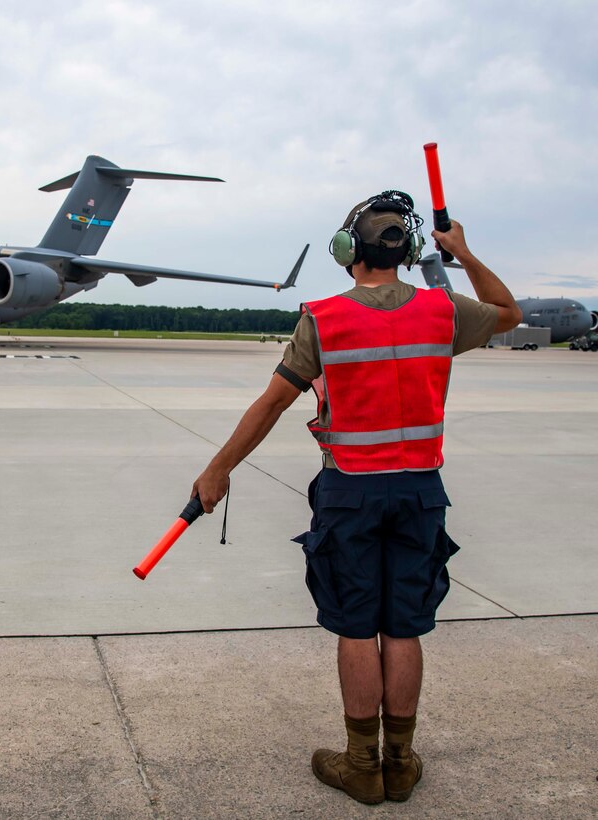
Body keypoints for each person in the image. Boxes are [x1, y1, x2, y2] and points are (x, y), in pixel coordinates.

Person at [191, 191, 522, 805]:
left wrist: (219, 468)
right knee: (403, 628)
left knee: (354, 626)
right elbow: (508, 311)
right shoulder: (441, 312)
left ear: (349, 251)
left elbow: (272, 404)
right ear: (409, 249)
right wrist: (465, 252)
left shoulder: (325, 317)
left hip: (349, 492)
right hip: (421, 490)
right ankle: (400, 762)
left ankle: (361, 765)